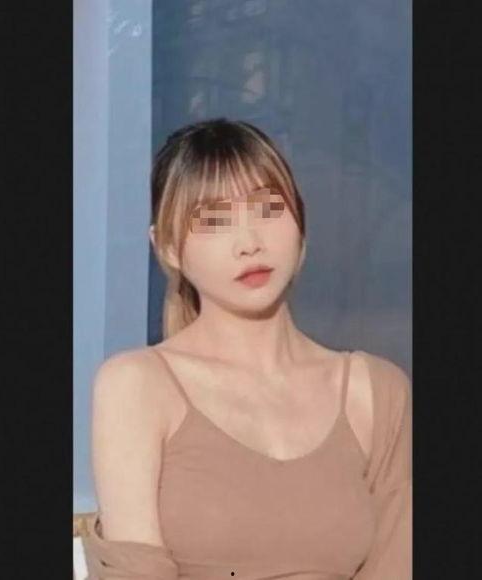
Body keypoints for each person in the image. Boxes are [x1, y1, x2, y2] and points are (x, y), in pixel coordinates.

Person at [83, 118, 412, 579]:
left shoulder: (376, 391)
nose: (250, 243)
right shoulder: (137, 385)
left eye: (268, 209)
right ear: (168, 247)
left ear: (300, 222)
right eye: (214, 221)